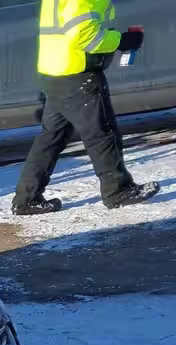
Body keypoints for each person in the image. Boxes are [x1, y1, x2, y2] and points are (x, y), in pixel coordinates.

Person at [12, 0, 158, 215]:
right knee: (102, 134)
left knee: (50, 139)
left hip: (55, 73)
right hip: (78, 75)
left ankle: (26, 198)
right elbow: (85, 37)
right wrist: (120, 40)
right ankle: (117, 191)